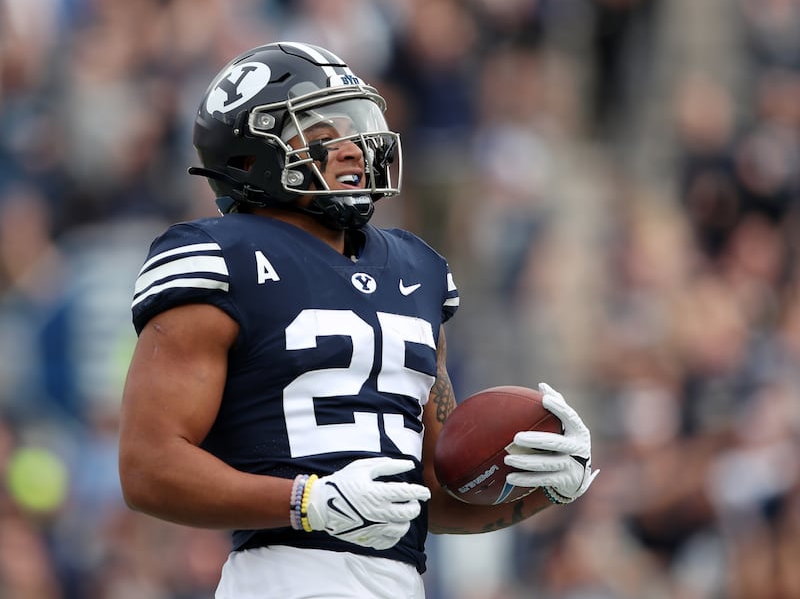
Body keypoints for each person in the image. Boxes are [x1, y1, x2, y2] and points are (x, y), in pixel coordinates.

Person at [118, 41, 598, 599]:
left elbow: (435, 498)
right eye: (321, 138)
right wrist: (307, 502)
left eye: (353, 130)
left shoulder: (415, 269)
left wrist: (545, 487)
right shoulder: (217, 256)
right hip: (284, 576)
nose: (351, 150)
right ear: (249, 159)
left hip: (400, 583)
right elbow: (147, 467)